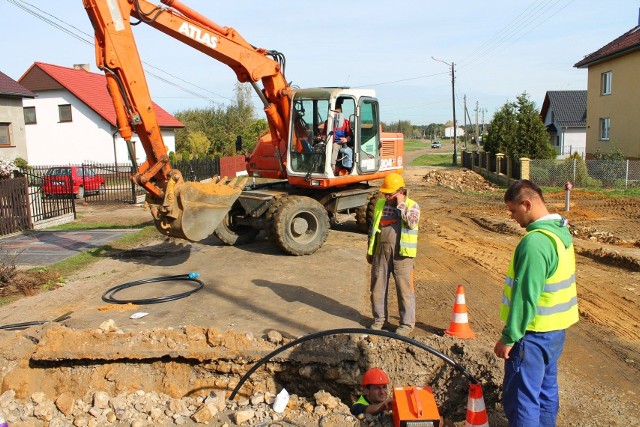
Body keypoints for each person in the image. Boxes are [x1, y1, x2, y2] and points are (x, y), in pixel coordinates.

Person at [494, 179, 579, 426]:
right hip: (554, 332)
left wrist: (509, 337)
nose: (511, 217)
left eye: (513, 210)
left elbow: (525, 297)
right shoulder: (559, 232)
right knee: (545, 391)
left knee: (522, 400)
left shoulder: (535, 243)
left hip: (532, 335)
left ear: (527, 204)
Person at [366, 172, 420, 336]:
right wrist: (370, 250)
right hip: (380, 253)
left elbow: (411, 223)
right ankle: (379, 320)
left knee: (404, 290)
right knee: (377, 288)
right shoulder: (381, 204)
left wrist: (401, 204)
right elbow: (373, 229)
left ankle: (406, 324)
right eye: (385, 193)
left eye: (390, 193)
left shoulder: (412, 205)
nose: (387, 196)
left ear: (400, 191)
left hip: (402, 254)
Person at [327, 98, 353, 174]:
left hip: (339, 143)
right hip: (328, 141)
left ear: (340, 112)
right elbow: (324, 134)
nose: (334, 114)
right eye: (333, 112)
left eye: (336, 112)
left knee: (335, 146)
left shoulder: (346, 123)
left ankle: (332, 167)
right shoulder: (327, 122)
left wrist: (346, 139)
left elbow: (350, 136)